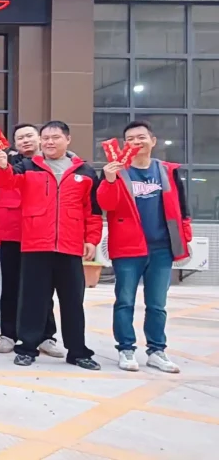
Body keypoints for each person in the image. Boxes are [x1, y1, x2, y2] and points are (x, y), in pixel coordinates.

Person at [0, 120, 101, 370]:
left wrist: (91, 239)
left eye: (55, 137)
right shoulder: (28, 166)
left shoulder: (84, 171)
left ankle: (77, 350)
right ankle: (28, 347)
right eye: (46, 138)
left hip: (70, 245)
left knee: (73, 301)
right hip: (35, 243)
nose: (50, 142)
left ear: (68, 139)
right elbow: (7, 183)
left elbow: (92, 212)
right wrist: (1, 166)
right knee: (33, 300)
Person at [0, 120, 63, 357]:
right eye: (20, 138)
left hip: (41, 234)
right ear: (13, 143)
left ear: (39, 138)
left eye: (29, 136)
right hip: (11, 233)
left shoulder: (52, 165)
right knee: (10, 286)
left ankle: (46, 336)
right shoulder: (5, 164)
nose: (25, 141)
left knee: (43, 288)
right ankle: (8, 333)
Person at [97, 121, 191, 374]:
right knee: (125, 301)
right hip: (128, 248)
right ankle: (126, 349)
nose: (136, 143)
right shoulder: (116, 170)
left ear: (153, 141)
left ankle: (157, 351)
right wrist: (109, 179)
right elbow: (106, 204)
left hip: (162, 248)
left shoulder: (167, 171)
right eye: (130, 139)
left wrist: (185, 238)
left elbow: (182, 207)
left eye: (141, 137)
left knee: (157, 303)